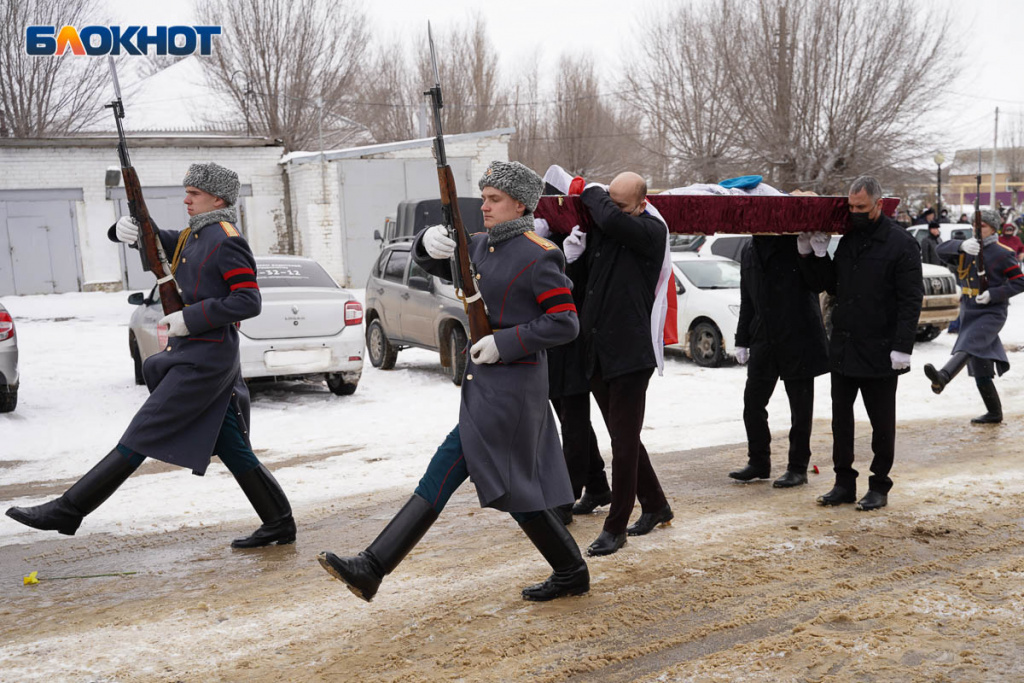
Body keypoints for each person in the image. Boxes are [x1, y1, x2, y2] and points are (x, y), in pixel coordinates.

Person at [317, 161, 589, 602]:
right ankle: (571, 569)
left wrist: (507, 342)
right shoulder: (480, 247)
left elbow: (565, 323)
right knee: (513, 486)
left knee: (449, 468)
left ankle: (373, 565)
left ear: (519, 203)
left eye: (494, 199)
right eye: (482, 197)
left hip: (516, 389)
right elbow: (442, 268)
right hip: (486, 387)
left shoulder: (541, 254)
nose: (484, 206)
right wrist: (426, 245)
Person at [6, 162, 296, 548]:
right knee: (231, 444)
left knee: (143, 432)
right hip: (195, 354)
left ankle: (70, 508)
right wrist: (123, 231)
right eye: (187, 191)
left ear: (218, 199)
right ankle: (279, 522)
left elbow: (248, 300)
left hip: (205, 361)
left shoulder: (226, 239)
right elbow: (156, 239)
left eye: (194, 193)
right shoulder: (196, 235)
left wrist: (190, 319)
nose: (186, 198)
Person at [799, 176, 923, 511]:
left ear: (879, 205)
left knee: (881, 423)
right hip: (843, 347)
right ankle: (844, 483)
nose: (854, 213)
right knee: (841, 422)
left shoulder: (901, 244)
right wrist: (813, 254)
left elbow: (911, 300)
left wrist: (903, 347)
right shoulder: (850, 240)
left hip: (881, 350)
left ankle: (879, 485)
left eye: (861, 208)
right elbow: (828, 286)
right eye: (851, 207)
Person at [575, 172, 673, 556]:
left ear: (641, 204)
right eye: (608, 202)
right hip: (598, 350)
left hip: (631, 355)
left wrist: (593, 193)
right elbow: (586, 281)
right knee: (624, 437)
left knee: (624, 444)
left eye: (619, 204)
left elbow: (611, 218)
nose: (609, 211)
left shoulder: (651, 231)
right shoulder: (604, 229)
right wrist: (573, 254)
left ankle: (616, 527)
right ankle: (656, 504)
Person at [729, 235, 829, 488]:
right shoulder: (749, 248)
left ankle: (798, 468)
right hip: (764, 335)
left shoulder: (793, 241)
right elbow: (747, 298)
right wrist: (742, 339)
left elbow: (817, 284)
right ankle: (759, 461)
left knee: (800, 409)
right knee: (752, 402)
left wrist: (813, 253)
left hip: (798, 334)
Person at [537, 225, 611, 524]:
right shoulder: (540, 239)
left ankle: (566, 498)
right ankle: (596, 486)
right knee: (573, 422)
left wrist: (571, 261)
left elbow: (577, 295)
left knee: (574, 426)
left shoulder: (571, 240)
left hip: (572, 347)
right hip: (553, 348)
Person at [924, 210, 1024, 423]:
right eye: (975, 227)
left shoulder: (1002, 252)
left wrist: (994, 294)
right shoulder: (968, 248)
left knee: (970, 343)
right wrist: (960, 246)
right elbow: (941, 250)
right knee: (980, 365)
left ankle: (943, 376)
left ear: (994, 228)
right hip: (970, 309)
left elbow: (1019, 281)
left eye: (983, 227)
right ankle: (994, 412)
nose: (978, 231)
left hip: (992, 311)